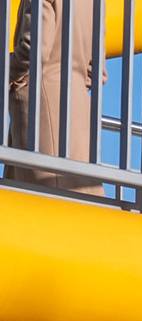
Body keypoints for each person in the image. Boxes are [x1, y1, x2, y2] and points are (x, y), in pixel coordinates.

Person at [6, 0, 104, 192]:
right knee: (80, 196)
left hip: (40, 102)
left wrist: (9, 74)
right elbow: (97, 69)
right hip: (76, 103)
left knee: (41, 196)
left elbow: (33, 48)